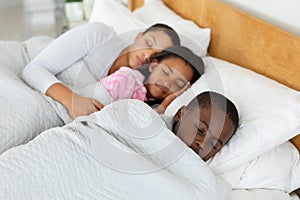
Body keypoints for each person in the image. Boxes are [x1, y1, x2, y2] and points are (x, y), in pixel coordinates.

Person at [22, 22, 181, 120]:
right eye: (148, 42)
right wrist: (72, 100)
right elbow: (33, 69)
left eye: (155, 56)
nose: (146, 55)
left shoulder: (135, 87)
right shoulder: (100, 35)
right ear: (138, 36)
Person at [84, 45, 204, 115]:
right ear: (153, 65)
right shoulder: (126, 79)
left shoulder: (150, 103)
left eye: (178, 84)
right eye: (165, 72)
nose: (167, 83)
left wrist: (168, 101)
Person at [165, 91, 239, 161]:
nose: (202, 144)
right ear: (180, 114)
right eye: (200, 130)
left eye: (213, 145)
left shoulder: (201, 172)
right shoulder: (155, 126)